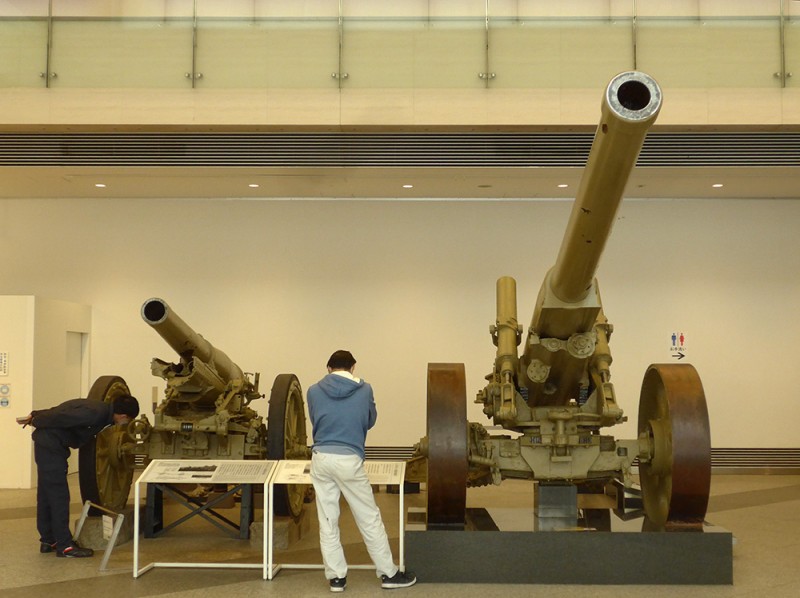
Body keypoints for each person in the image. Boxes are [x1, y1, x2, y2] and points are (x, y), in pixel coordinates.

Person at [307, 350, 416, 592]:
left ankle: (336, 578)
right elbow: (370, 420)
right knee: (368, 518)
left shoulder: (313, 390)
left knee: (327, 520)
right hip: (349, 458)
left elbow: (315, 419)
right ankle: (389, 574)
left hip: (321, 457)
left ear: (328, 368)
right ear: (353, 367)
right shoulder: (365, 390)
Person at [17, 394, 140, 558]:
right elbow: (60, 416)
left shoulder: (98, 409)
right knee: (59, 496)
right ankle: (64, 546)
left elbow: (61, 409)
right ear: (124, 416)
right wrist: (35, 420)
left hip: (48, 444)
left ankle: (49, 540)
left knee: (47, 494)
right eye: (129, 420)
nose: (127, 423)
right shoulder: (95, 414)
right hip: (51, 445)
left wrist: (35, 414)